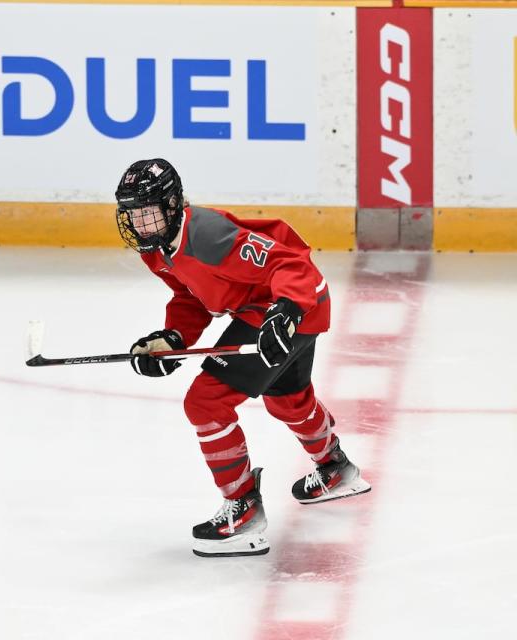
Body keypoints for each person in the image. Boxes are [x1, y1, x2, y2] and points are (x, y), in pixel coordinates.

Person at [114, 158, 371, 558]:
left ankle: (243, 511)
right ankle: (336, 468)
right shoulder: (159, 251)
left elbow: (289, 264)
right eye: (133, 215)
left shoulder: (207, 235)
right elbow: (191, 297)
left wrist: (286, 310)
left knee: (205, 403)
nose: (141, 224)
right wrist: (173, 337)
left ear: (171, 204)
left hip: (287, 310)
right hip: (298, 310)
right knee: (288, 399)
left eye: (148, 212)